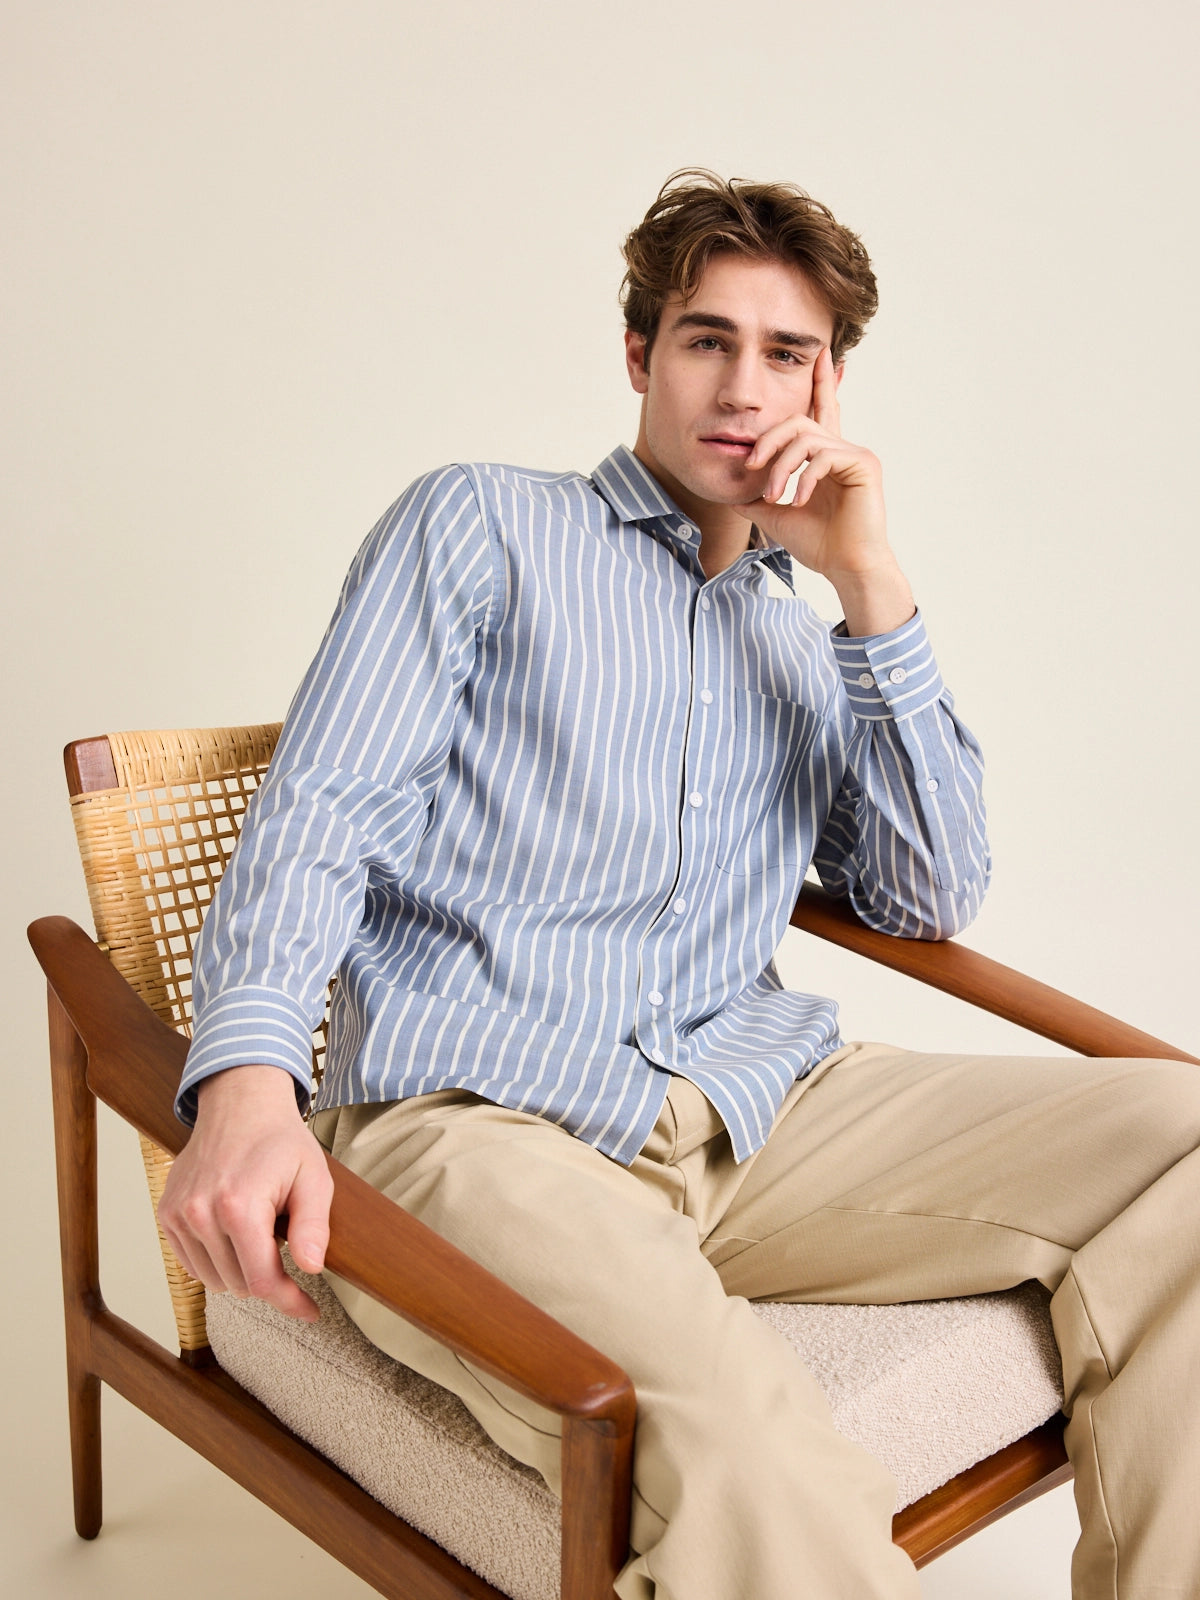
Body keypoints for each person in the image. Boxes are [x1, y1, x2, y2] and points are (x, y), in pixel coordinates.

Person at [159, 171, 1200, 1600]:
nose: (743, 386)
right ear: (641, 354)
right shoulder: (480, 527)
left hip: (753, 1113)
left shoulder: (800, 633)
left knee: (1186, 1128)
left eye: (787, 354)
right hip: (482, 1124)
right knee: (751, 1447)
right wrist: (247, 1084)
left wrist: (869, 586)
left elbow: (925, 892)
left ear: (829, 386)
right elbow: (319, 814)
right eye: (708, 339)